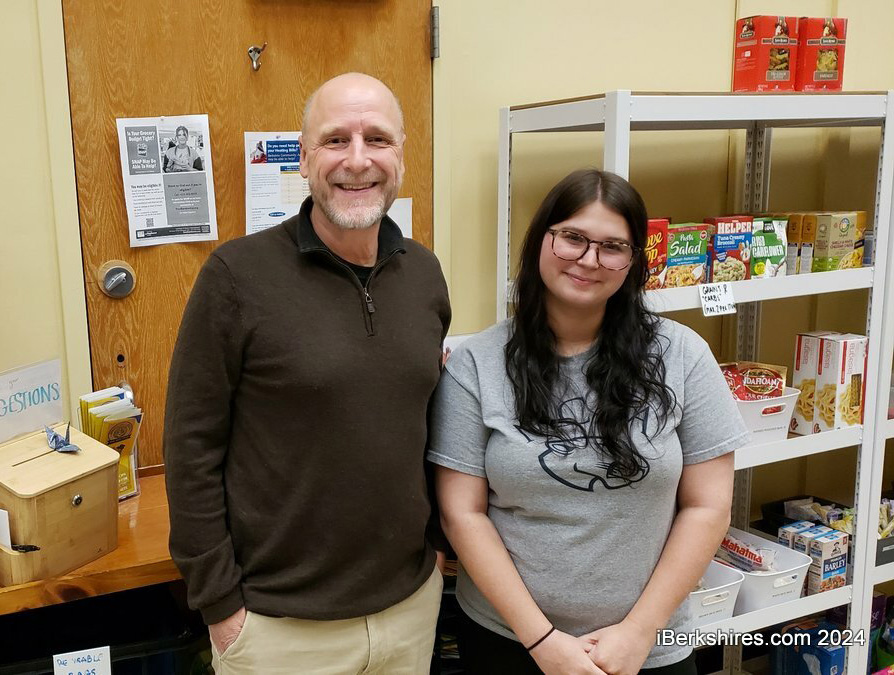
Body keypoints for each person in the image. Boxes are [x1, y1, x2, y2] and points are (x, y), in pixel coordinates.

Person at [164, 72, 451, 674]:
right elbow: (191, 447)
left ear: (401, 155)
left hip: (408, 609)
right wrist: (219, 605)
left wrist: (441, 549)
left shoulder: (424, 275)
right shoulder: (236, 278)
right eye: (334, 140)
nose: (357, 160)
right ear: (302, 157)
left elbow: (427, 424)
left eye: (377, 139)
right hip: (277, 629)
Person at [428, 169, 749, 675]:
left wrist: (640, 631)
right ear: (541, 241)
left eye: (612, 247)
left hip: (647, 647)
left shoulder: (681, 354)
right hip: (508, 641)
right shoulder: (478, 363)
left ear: (633, 262)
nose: (589, 260)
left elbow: (708, 506)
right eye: (572, 238)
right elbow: (462, 515)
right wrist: (542, 641)